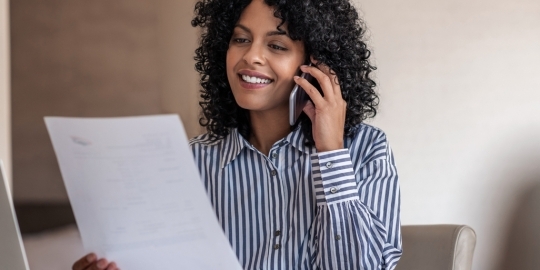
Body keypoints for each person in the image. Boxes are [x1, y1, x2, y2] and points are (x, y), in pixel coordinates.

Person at [72, 0, 402, 269]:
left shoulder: (366, 150)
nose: (251, 56)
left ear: (317, 65)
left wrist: (330, 153)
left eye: (276, 44)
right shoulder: (191, 162)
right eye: (241, 39)